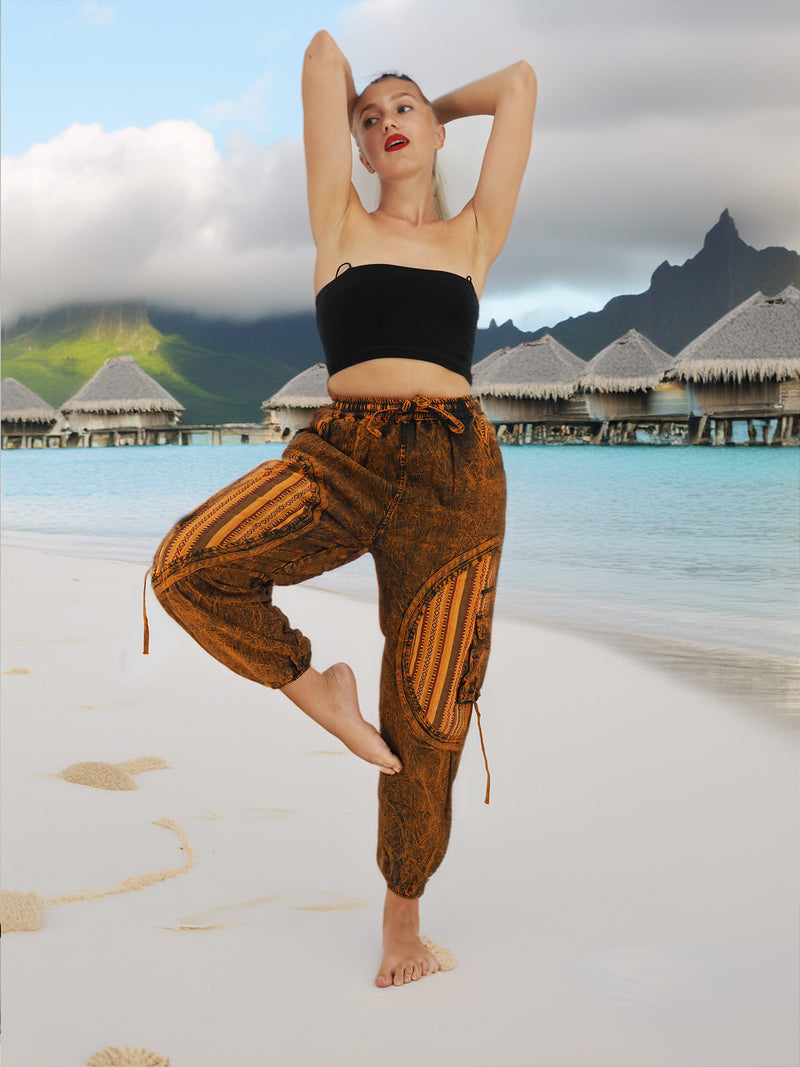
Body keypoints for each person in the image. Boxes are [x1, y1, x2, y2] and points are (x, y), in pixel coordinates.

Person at [149, 30, 536, 988]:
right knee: (188, 565)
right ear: (354, 148)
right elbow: (323, 57)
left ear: (437, 137)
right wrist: (369, 105)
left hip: (456, 474)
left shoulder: (472, 237)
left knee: (432, 709)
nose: (387, 121)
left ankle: (402, 921)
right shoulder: (339, 223)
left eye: (403, 111)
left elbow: (521, 86)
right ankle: (314, 689)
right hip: (347, 454)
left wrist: (434, 108)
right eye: (372, 119)